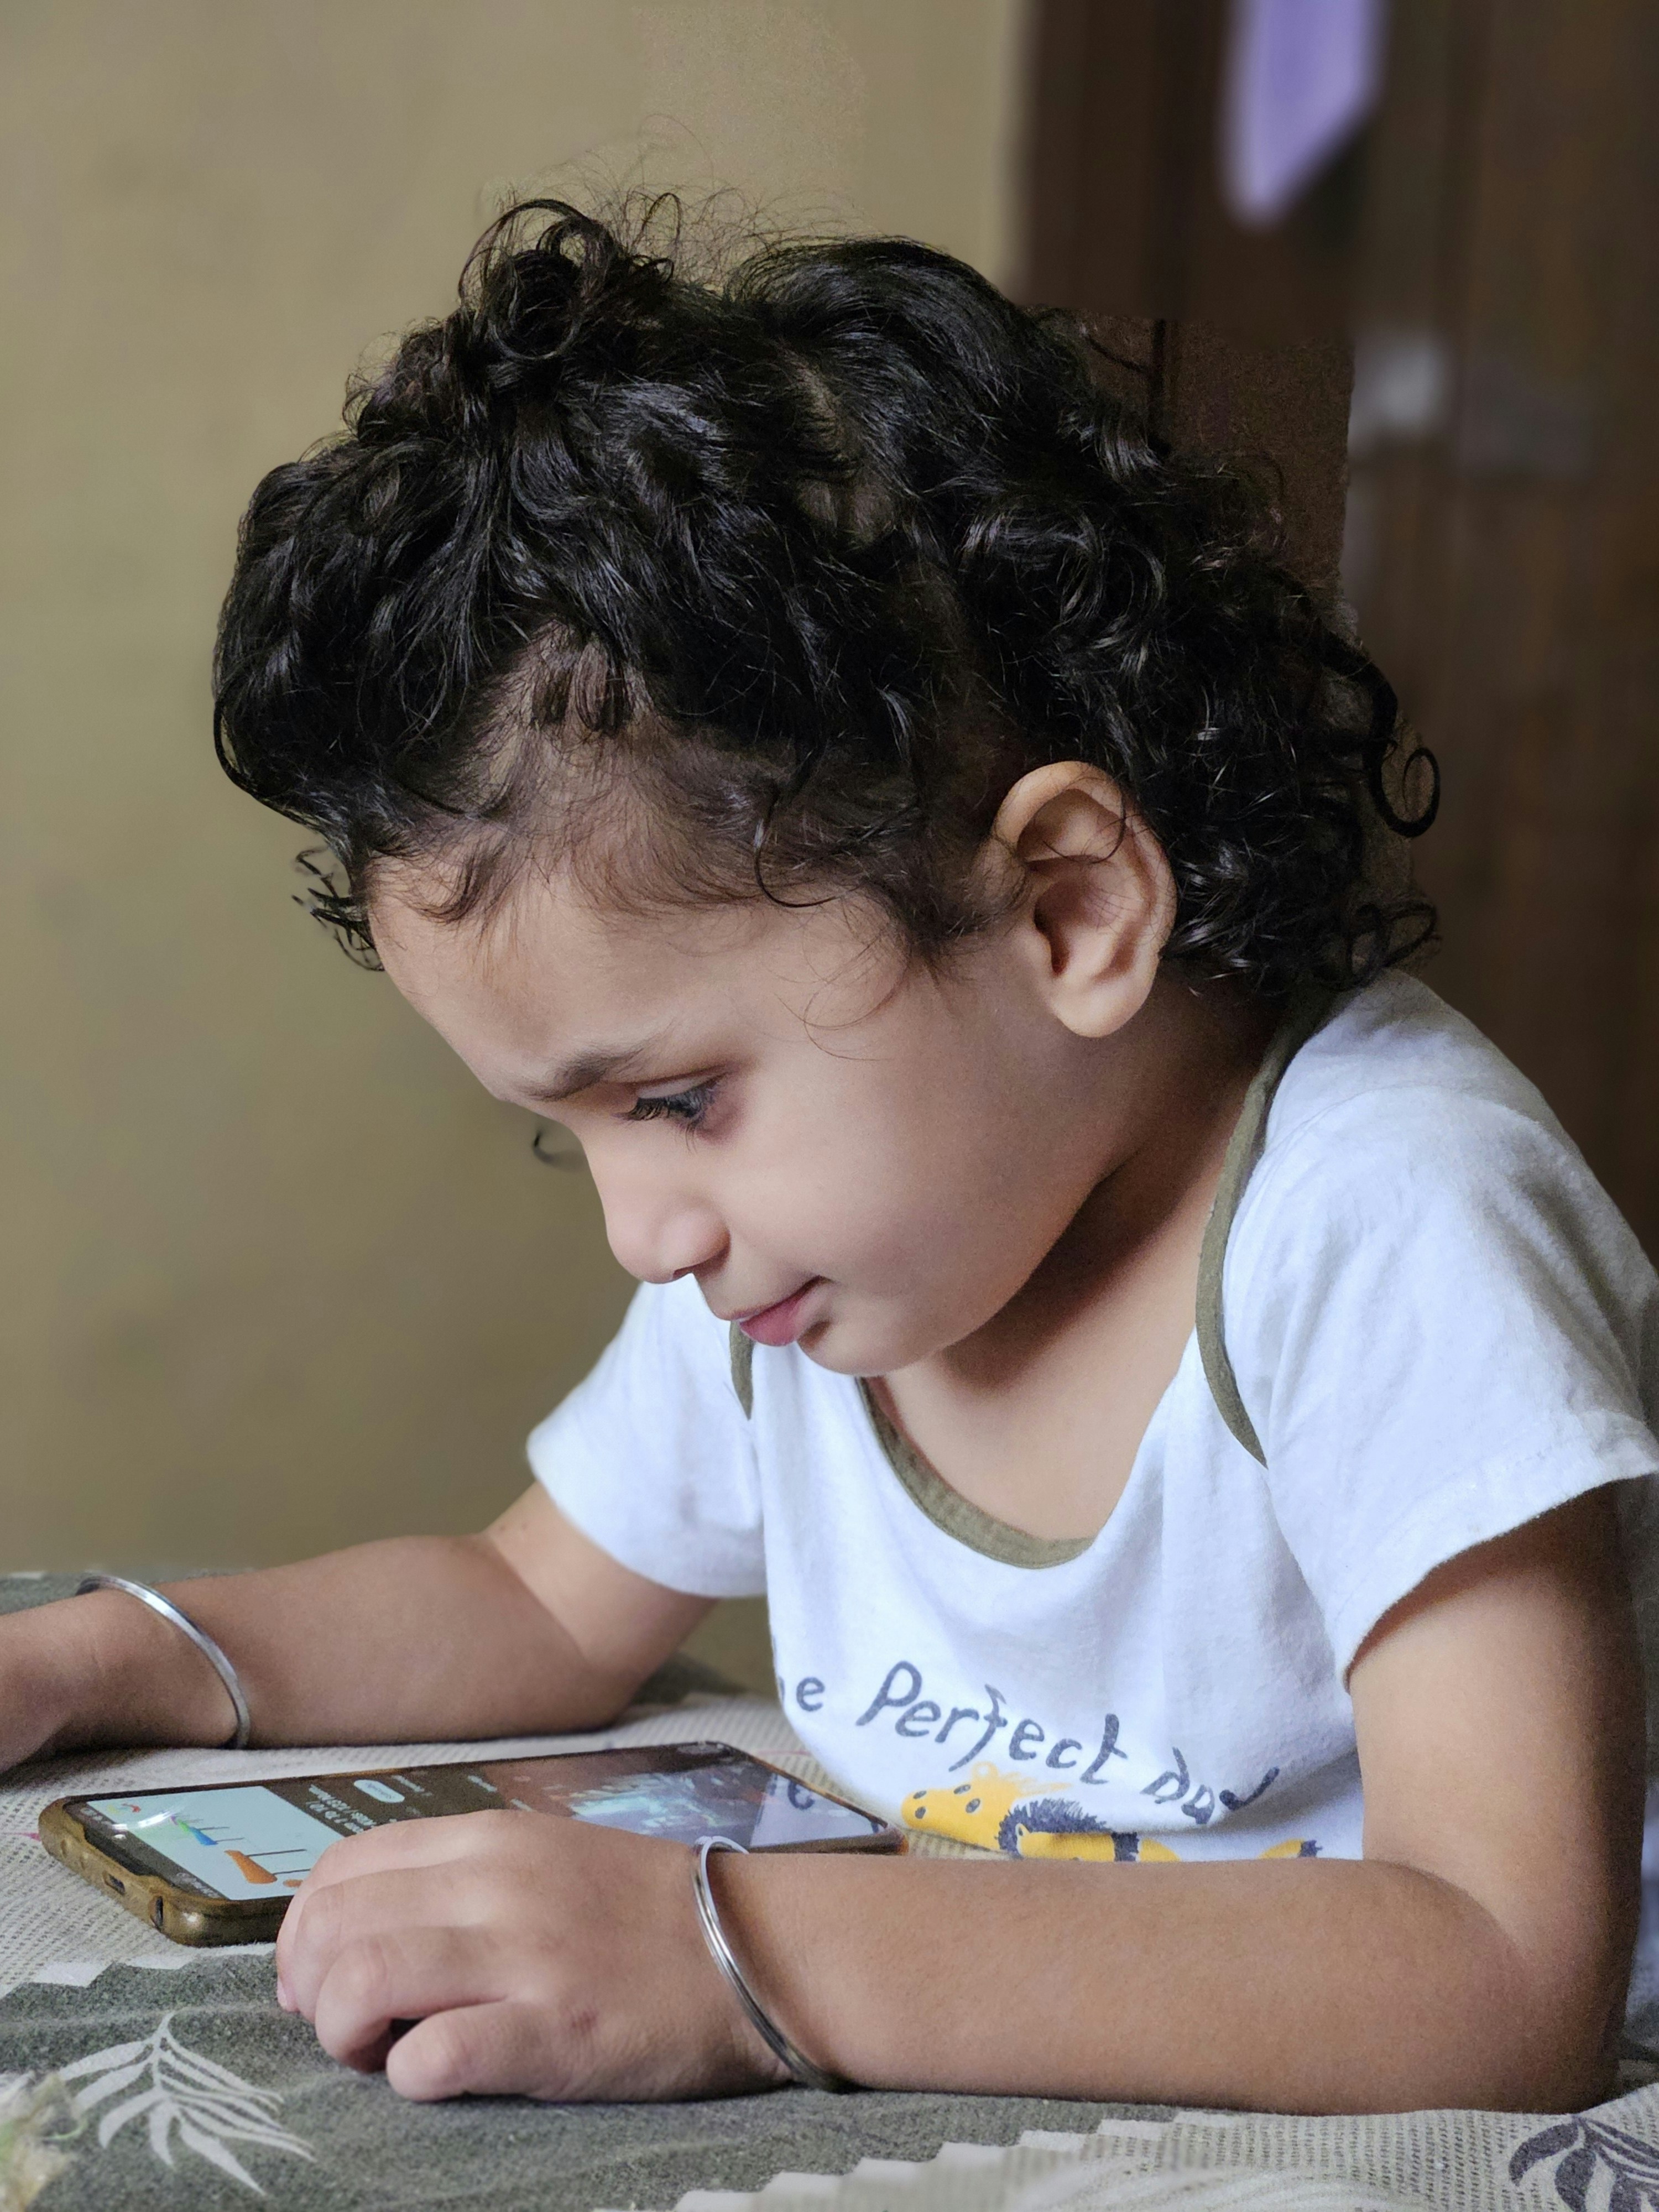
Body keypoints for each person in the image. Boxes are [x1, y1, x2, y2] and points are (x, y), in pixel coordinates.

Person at [7, 199, 1657, 2115]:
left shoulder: (1391, 1219)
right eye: (569, 1143)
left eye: (677, 1099)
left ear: (1062, 908)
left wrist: (737, 1953)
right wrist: (95, 1656)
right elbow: (534, 1603)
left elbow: (1499, 1971)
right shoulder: (827, 1261)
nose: (644, 1232)